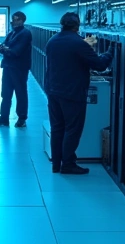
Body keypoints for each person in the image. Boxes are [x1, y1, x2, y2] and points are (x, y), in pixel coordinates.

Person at [44, 12, 115, 175]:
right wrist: (111, 51)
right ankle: (68, 164)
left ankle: (56, 164)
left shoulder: (52, 41)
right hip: (72, 93)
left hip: (53, 91)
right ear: (77, 25)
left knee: (57, 128)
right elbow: (100, 65)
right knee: (72, 129)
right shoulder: (78, 43)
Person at [0, 11, 31, 128]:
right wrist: (4, 48)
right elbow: (1, 47)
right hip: (8, 67)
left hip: (19, 69)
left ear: (22, 20)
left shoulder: (25, 33)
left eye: (15, 19)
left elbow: (16, 52)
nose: (13, 21)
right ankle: (4, 118)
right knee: (6, 94)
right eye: (12, 19)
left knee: (20, 94)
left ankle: (22, 118)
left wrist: (5, 49)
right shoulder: (11, 33)